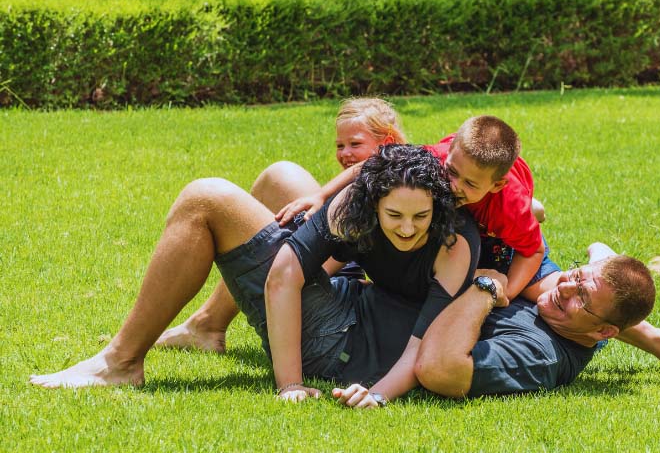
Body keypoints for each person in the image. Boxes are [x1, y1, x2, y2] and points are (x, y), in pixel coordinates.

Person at [31, 146, 479, 410]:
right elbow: (285, 274)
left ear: (438, 207)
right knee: (281, 177)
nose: (406, 227)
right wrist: (289, 384)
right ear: (373, 202)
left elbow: (424, 346)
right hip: (351, 297)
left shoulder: (454, 243)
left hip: (339, 337)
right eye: (394, 215)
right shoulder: (353, 205)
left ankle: (121, 363)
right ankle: (208, 326)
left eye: (419, 216)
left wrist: (299, 384)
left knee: (206, 198)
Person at [282, 115, 660, 385]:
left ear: (496, 184)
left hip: (505, 246)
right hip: (471, 226)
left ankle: (658, 337)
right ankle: (599, 266)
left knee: (553, 292)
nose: (453, 186)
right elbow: (373, 168)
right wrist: (320, 197)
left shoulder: (509, 205)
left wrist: (506, 291)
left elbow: (532, 255)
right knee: (574, 292)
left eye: (468, 183)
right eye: (452, 175)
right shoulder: (440, 161)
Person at [155, 97, 407, 351]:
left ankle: (202, 327)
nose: (344, 153)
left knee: (214, 205)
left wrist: (288, 264)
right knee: (278, 177)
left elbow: (332, 259)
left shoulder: (392, 188)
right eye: (340, 145)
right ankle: (208, 324)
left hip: (332, 284)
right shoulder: (363, 181)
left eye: (355, 144)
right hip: (333, 263)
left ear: (386, 143)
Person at [415, 248, 660, 397]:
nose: (564, 288)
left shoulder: (540, 354)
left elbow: (441, 370)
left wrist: (486, 288)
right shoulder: (571, 317)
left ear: (603, 331)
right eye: (576, 275)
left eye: (582, 297)